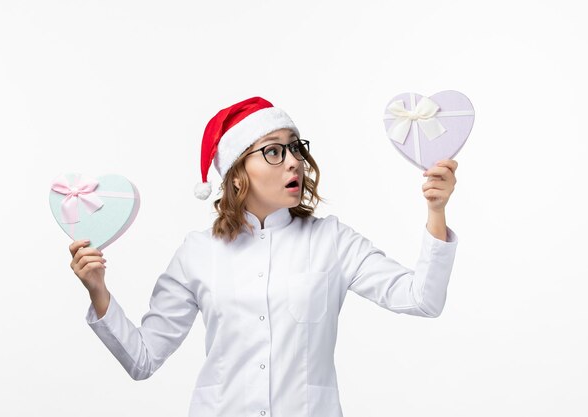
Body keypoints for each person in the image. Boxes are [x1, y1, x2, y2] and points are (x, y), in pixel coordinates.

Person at [69, 96, 459, 417]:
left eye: (295, 148)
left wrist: (436, 211)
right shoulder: (197, 253)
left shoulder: (331, 241)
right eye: (273, 151)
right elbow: (143, 359)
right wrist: (98, 291)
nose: (293, 161)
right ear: (238, 173)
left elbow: (422, 299)